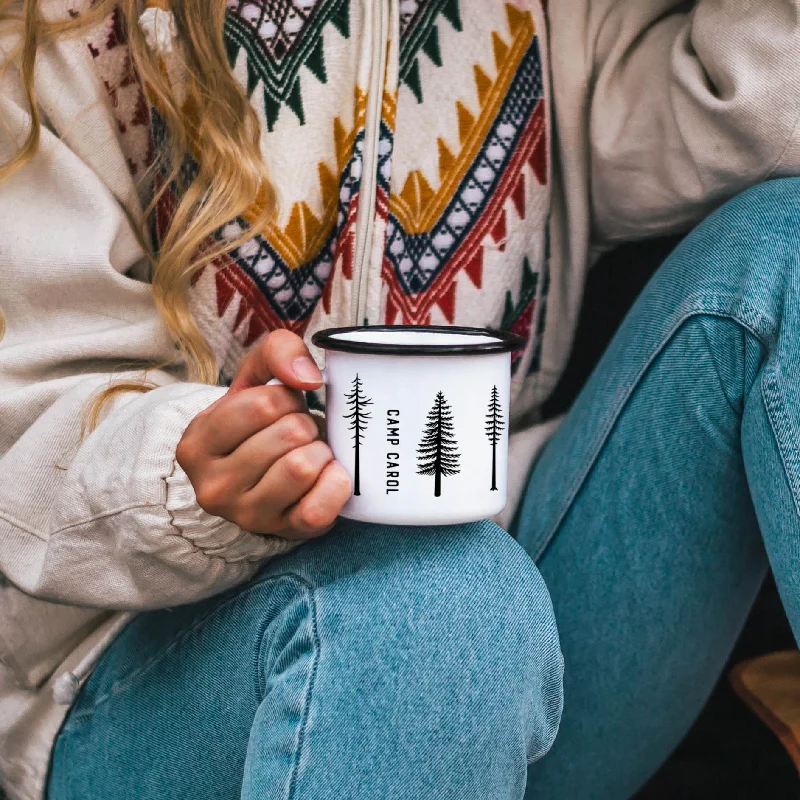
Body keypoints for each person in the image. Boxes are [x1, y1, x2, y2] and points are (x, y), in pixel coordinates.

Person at [1, 0, 799, 798]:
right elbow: (24, 439)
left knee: (785, 251)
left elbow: (759, 110)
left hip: (532, 607)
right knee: (439, 611)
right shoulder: (62, 30)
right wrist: (187, 471)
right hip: (157, 685)